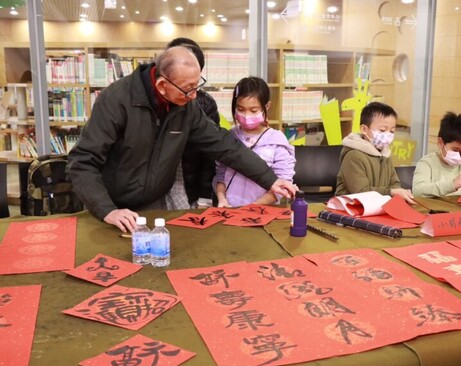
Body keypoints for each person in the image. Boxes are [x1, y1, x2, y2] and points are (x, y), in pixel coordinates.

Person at [67, 46, 296, 233]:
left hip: (154, 205)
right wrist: (107, 209)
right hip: (111, 205)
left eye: (197, 86)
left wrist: (270, 179)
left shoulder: (186, 107)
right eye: (188, 89)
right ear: (162, 85)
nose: (194, 96)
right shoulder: (116, 100)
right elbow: (82, 161)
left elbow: (223, 143)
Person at [213, 76, 295, 207]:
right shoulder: (229, 137)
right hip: (229, 209)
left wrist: (252, 208)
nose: (246, 115)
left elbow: (281, 183)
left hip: (261, 211)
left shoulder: (277, 141)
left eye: (253, 110)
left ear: (267, 106)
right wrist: (222, 199)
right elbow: (220, 174)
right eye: (240, 109)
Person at [165, 37, 220, 210]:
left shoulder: (204, 104)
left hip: (190, 185)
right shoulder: (152, 103)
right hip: (155, 188)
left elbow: (212, 151)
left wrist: (205, 195)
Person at [335, 101, 414, 203]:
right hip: (351, 209)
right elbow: (360, 192)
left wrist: (397, 191)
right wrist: (391, 192)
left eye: (392, 131)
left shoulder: (385, 154)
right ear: (364, 129)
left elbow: (394, 183)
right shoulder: (353, 156)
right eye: (382, 130)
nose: (388, 135)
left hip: (378, 206)